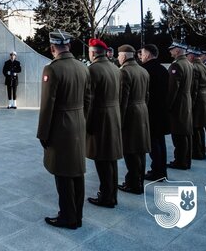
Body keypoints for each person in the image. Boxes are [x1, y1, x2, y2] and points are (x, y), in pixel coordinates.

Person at [37, 29, 90, 230]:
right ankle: (77, 214)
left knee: (63, 173)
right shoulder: (83, 67)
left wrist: (43, 133)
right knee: (77, 171)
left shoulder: (52, 69)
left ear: (53, 48)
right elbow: (88, 99)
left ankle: (67, 216)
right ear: (69, 45)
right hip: (78, 123)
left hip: (61, 126)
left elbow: (47, 105)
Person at [86, 38, 122, 208]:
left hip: (100, 117)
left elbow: (90, 100)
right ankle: (112, 194)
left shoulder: (93, 69)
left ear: (93, 53)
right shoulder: (115, 68)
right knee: (111, 158)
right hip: (113, 115)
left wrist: (87, 124)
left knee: (101, 158)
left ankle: (106, 196)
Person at [117, 44, 150, 194]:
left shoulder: (124, 72)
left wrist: (120, 121)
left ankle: (133, 184)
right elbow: (147, 95)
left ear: (123, 56)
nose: (118, 58)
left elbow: (123, 100)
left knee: (130, 151)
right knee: (140, 150)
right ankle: (139, 181)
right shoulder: (143, 70)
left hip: (130, 113)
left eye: (119, 55)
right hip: (142, 110)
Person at [140, 44, 169, 181]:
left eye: (143, 53)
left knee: (153, 143)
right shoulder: (163, 69)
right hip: (162, 110)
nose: (141, 56)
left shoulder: (146, 70)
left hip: (151, 111)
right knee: (160, 142)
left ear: (148, 55)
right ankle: (161, 170)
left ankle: (157, 171)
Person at [166, 41, 193, 170]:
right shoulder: (188, 63)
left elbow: (172, 89)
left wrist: (168, 106)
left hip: (178, 104)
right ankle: (186, 160)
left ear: (177, 51)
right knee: (186, 133)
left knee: (178, 134)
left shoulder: (176, 65)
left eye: (172, 49)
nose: (170, 52)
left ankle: (180, 161)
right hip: (186, 100)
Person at [186, 47, 206, 160]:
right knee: (200, 128)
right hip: (205, 97)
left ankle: (197, 152)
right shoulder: (204, 67)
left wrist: (191, 103)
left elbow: (194, 88)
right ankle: (200, 151)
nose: (187, 57)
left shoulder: (194, 67)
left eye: (187, 55)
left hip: (198, 100)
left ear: (191, 56)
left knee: (196, 128)